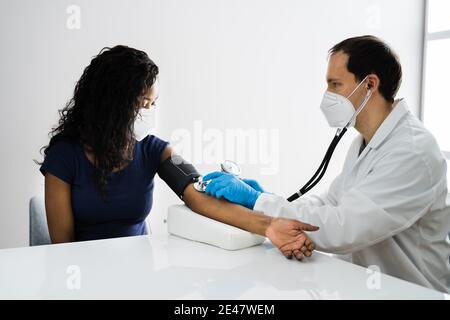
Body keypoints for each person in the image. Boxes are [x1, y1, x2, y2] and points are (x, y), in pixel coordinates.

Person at [203, 35, 450, 292]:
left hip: (413, 292)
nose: (327, 95)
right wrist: (268, 198)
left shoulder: (412, 150)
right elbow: (330, 203)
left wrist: (257, 201)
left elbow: (342, 228)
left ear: (369, 85)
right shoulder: (364, 143)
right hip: (365, 288)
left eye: (335, 84)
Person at [37, 45, 318, 261]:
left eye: (153, 103)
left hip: (139, 274)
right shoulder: (65, 156)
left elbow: (200, 198)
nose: (149, 112)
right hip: (82, 275)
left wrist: (270, 226)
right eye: (142, 103)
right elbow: (64, 250)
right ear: (112, 104)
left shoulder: (156, 150)